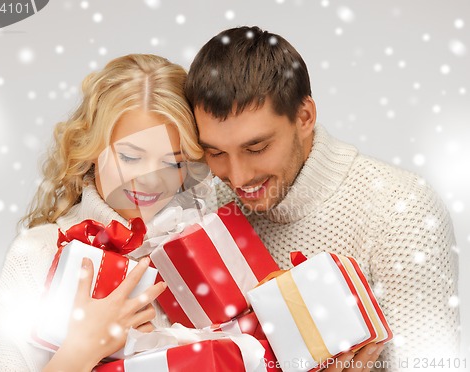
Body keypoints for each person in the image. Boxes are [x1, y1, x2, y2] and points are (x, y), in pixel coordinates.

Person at [185, 26, 460, 372]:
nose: (238, 178)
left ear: (305, 117)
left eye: (256, 148)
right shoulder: (210, 206)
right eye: (216, 153)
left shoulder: (400, 209)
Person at [0, 54, 207, 371]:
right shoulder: (36, 253)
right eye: (130, 157)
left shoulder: (200, 251)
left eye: (173, 162)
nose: (151, 179)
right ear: (91, 149)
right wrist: (83, 349)